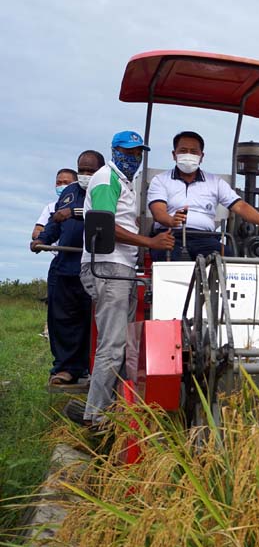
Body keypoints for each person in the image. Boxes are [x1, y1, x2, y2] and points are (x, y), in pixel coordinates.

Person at [80, 131, 175, 426]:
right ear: (115, 151)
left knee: (124, 345)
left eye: (138, 153)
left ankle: (115, 410)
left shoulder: (125, 183)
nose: (133, 158)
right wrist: (151, 244)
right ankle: (95, 417)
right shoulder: (107, 179)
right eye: (128, 152)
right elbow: (104, 224)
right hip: (109, 267)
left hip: (123, 268)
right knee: (112, 345)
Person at [147, 130, 259, 261]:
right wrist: (171, 221)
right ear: (174, 154)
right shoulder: (160, 180)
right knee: (166, 255)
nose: (188, 155)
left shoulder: (215, 182)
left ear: (201, 157)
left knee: (227, 255)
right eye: (183, 151)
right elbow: (158, 212)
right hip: (171, 236)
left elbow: (240, 206)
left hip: (205, 238)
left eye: (193, 152)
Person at [31, 152, 105, 385]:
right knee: (60, 319)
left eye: (90, 171)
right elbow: (55, 221)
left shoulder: (103, 190)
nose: (85, 175)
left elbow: (103, 217)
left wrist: (73, 213)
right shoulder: (69, 192)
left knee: (88, 319)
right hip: (64, 263)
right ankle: (64, 368)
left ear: (100, 171)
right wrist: (42, 239)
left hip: (92, 263)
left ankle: (85, 367)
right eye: (81, 170)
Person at [33, 169, 78, 340]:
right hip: (61, 259)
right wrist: (49, 235)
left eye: (65, 182)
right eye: (58, 182)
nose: (61, 186)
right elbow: (37, 232)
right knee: (55, 304)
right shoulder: (51, 207)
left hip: (83, 259)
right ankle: (51, 334)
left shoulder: (84, 203)